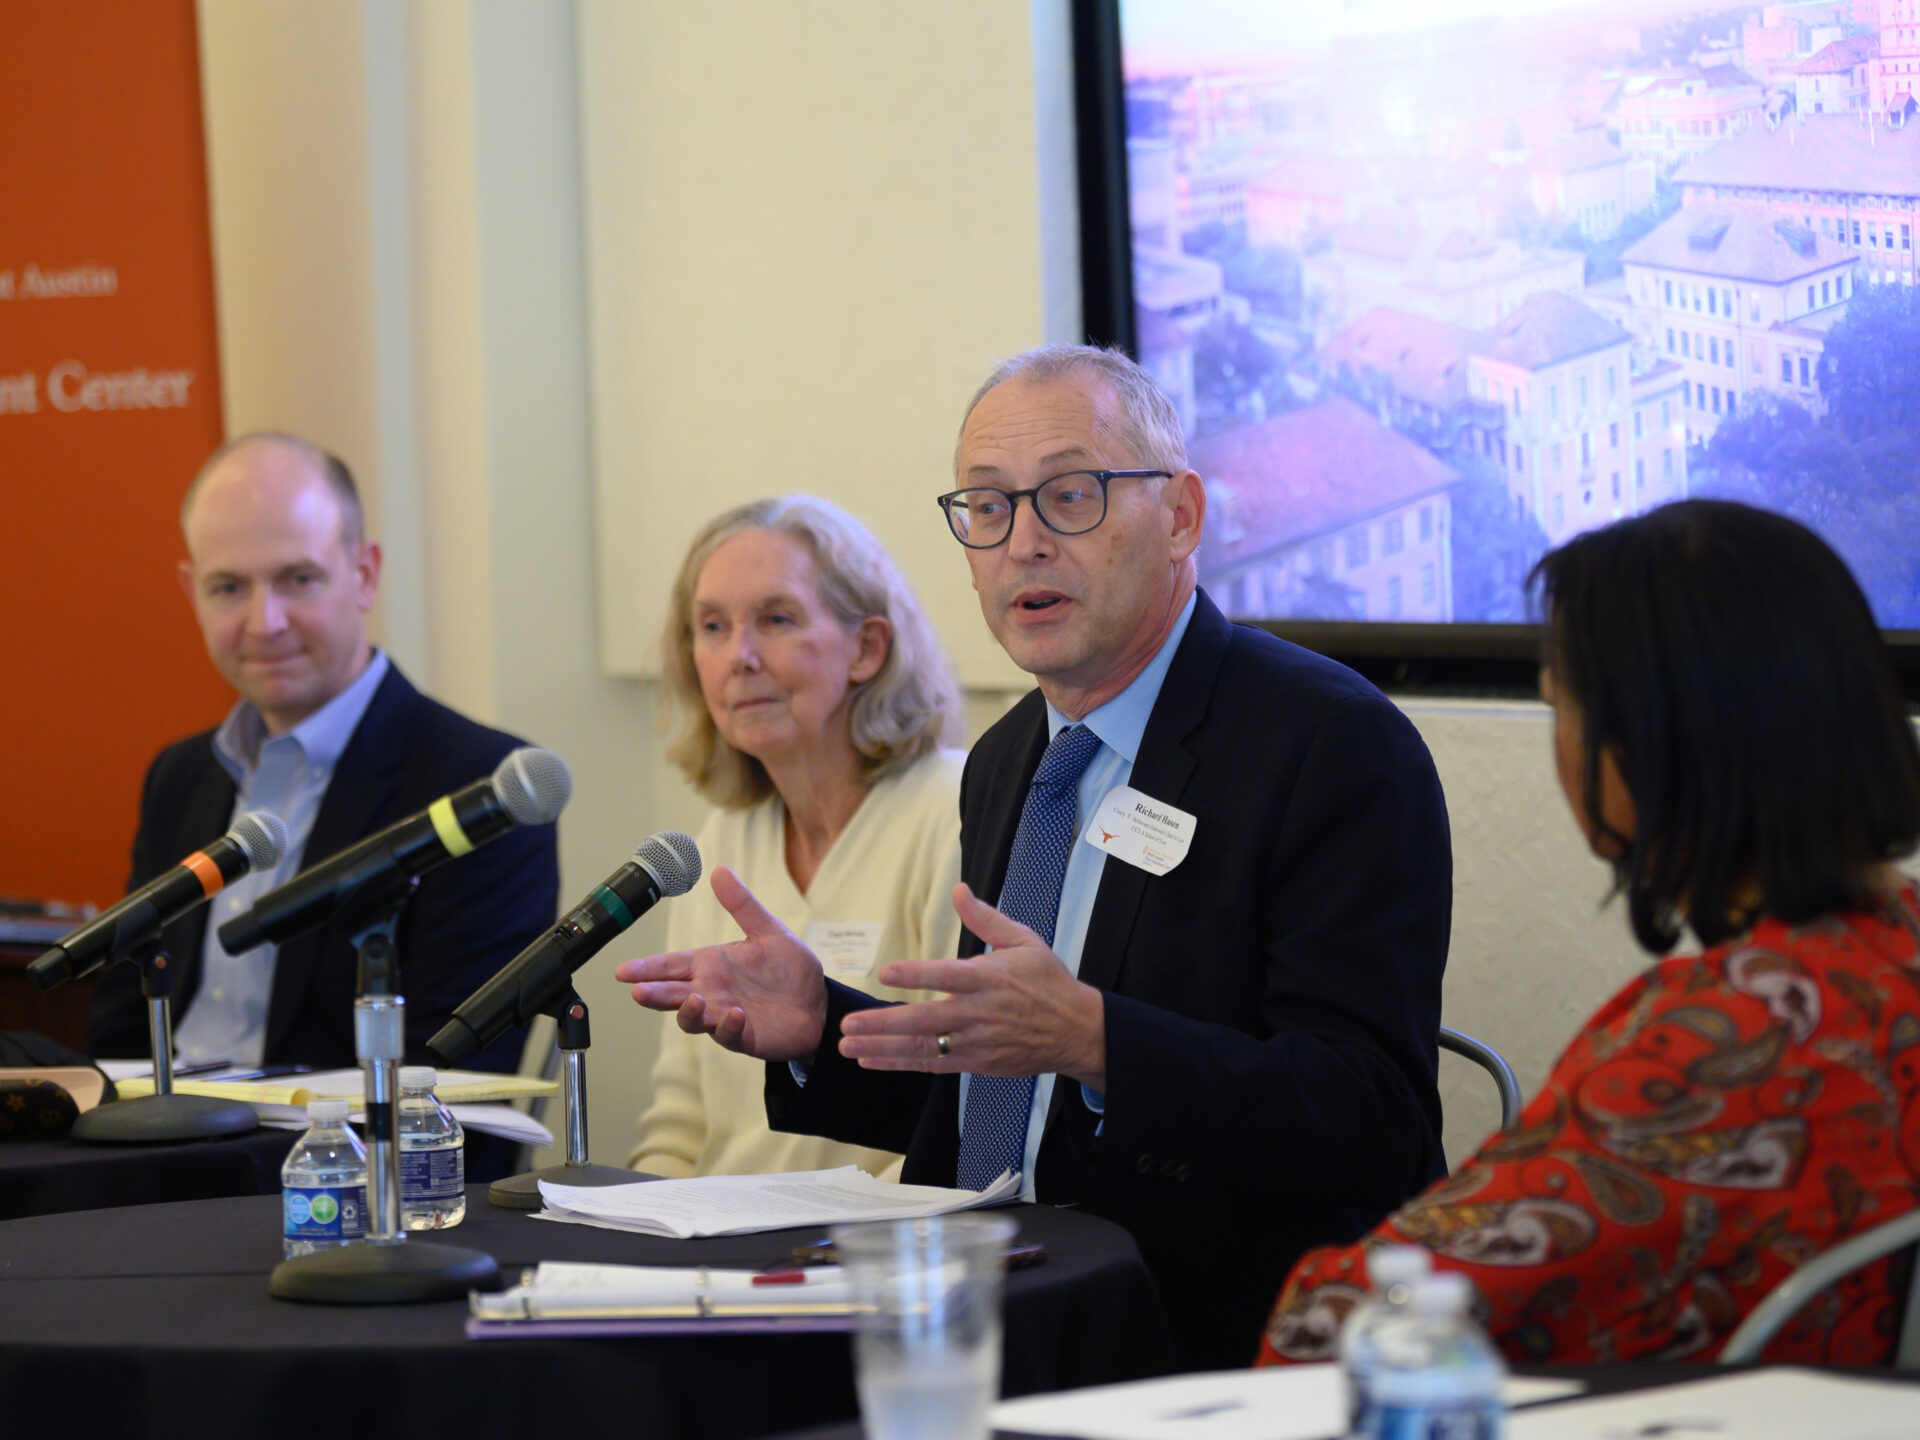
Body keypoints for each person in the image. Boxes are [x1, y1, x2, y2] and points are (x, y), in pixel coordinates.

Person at [617, 345, 1454, 1369]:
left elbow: (1374, 1121)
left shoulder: (1326, 743)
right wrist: (822, 1027)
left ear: (1181, 515)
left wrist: (1102, 1041)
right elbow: (1003, 1096)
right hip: (985, 1307)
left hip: (1190, 1331)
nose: (1023, 545)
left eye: (1069, 497)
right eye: (987, 507)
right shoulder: (1013, 756)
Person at [1259, 500, 1920, 1368]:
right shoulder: (1893, 949)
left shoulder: (1715, 1045)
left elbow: (1337, 1324)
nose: (1561, 745)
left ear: (1652, 741)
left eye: (1559, 706)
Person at [89, 433, 560, 1073]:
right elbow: (120, 1036)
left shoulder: (481, 787)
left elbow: (451, 1079)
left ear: (364, 574)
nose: (265, 622)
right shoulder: (180, 776)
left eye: (297, 579)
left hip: (332, 1161)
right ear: (190, 590)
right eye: (228, 588)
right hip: (159, 1154)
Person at [630, 495, 966, 1179]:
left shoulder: (952, 809)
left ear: (867, 649)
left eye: (776, 619)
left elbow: (967, 1106)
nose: (740, 657)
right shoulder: (721, 840)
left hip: (871, 1255)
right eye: (712, 626)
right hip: (719, 1256)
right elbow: (679, 1121)